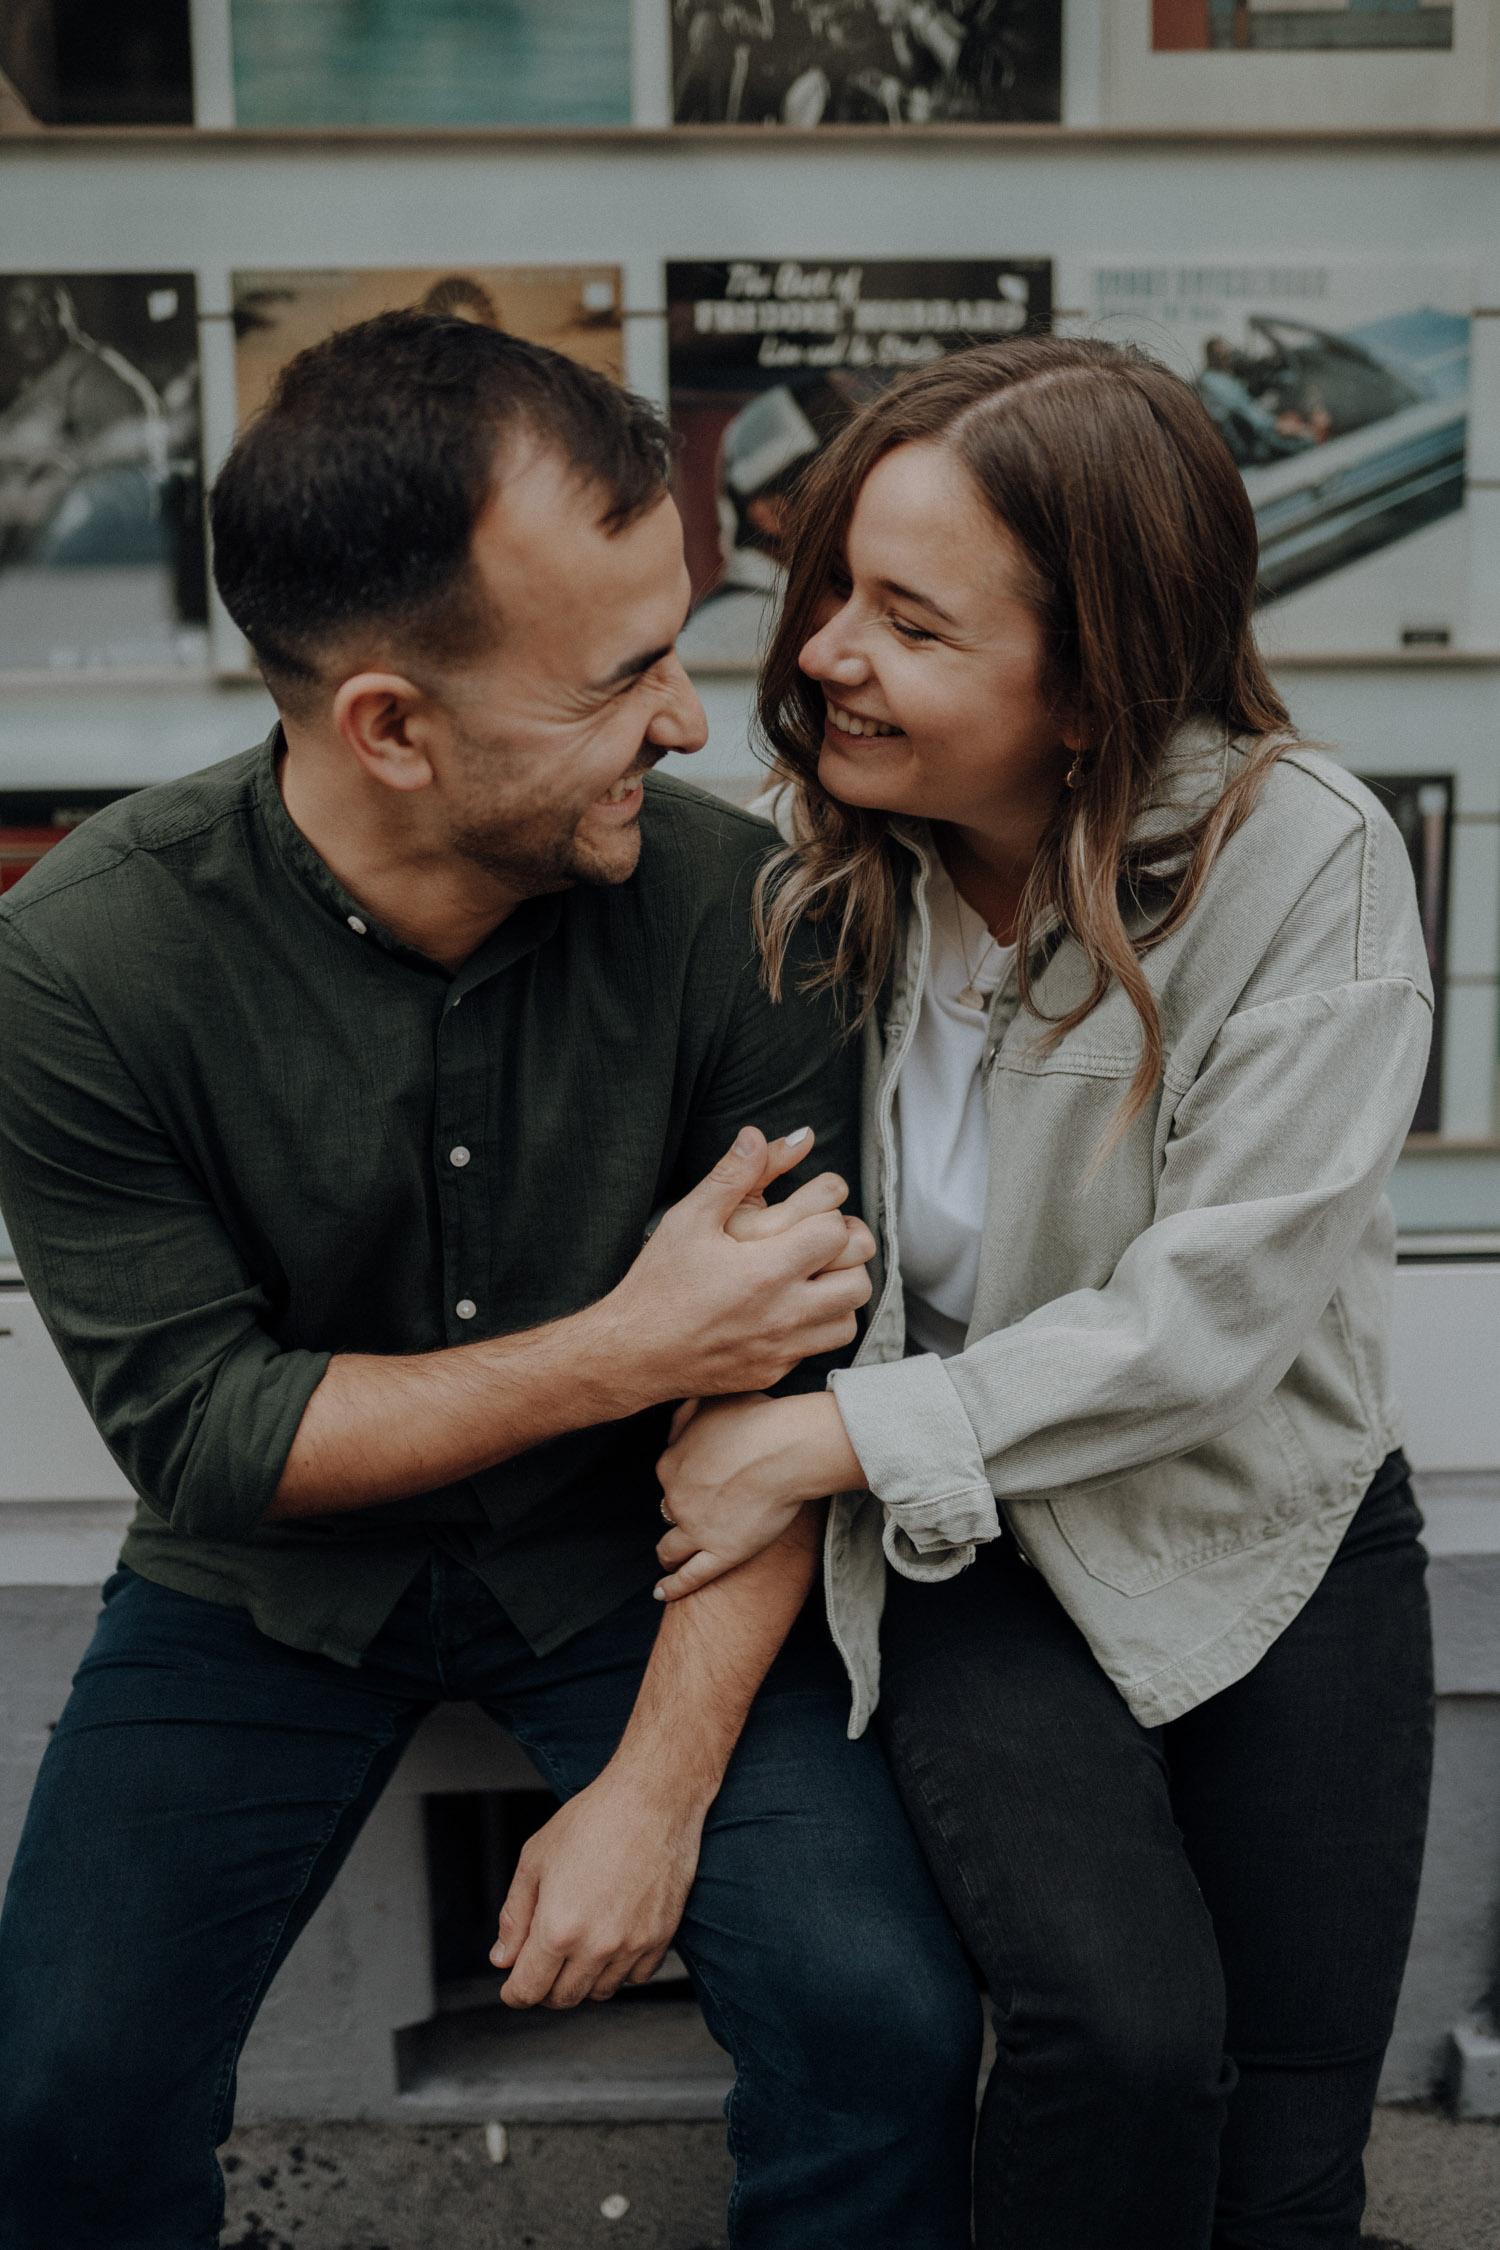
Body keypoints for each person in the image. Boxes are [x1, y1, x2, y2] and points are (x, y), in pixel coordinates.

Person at [0, 313, 981, 2250]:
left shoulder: (753, 916)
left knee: (884, 2022)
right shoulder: (81, 966)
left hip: (649, 1558)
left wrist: (654, 1791)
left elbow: (771, 1412)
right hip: (262, 1593)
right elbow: (208, 1442)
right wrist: (628, 1342)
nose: (697, 724)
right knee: (54, 2100)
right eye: (623, 677)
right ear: (392, 725)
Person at [655, 334, 1436, 2249]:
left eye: (909, 622)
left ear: (1091, 690)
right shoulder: (803, 872)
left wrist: (818, 1433)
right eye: (835, 585)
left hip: (1280, 1528)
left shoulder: (1304, 860)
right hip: (969, 1545)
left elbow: (1216, 1315)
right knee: (1120, 2033)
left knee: (1291, 2163)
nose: (827, 648)